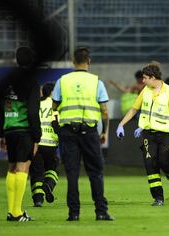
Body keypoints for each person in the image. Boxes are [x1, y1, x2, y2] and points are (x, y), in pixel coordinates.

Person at [52, 47, 114, 221]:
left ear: (73, 62)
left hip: (67, 132)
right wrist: (104, 132)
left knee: (72, 173)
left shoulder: (62, 81)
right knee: (95, 172)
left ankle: (74, 213)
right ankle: (101, 212)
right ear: (89, 62)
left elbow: (54, 107)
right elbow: (105, 112)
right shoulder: (96, 82)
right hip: (89, 132)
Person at [116, 62, 169, 206]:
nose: (143, 81)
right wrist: (121, 124)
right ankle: (158, 198)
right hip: (148, 134)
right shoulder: (145, 90)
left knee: (165, 162)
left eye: (145, 78)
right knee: (150, 164)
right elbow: (134, 109)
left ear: (153, 77)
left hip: (166, 134)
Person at [0, 46, 41, 221]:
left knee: (12, 168)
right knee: (22, 168)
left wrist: (1, 133)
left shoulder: (6, 83)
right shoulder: (31, 82)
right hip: (24, 131)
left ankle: (11, 211)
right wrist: (37, 136)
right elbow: (32, 111)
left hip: (9, 130)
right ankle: (17, 212)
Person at [29, 82, 59, 207]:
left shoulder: (36, 104)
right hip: (51, 144)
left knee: (36, 172)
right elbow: (57, 124)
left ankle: (38, 200)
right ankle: (48, 185)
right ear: (52, 92)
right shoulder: (55, 105)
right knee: (53, 168)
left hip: (36, 143)